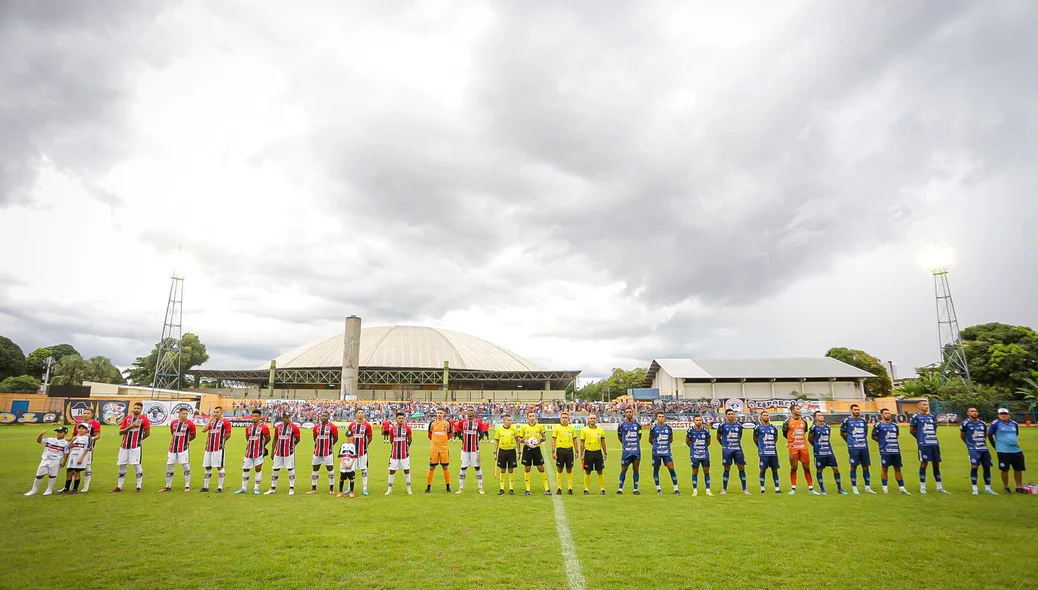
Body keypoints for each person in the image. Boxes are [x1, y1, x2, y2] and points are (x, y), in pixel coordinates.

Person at [909, 399, 949, 494]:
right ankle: (923, 486)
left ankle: (939, 487)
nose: (926, 406)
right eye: (923, 405)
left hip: (934, 443)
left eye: (926, 405)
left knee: (936, 464)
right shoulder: (916, 417)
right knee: (924, 464)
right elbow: (911, 430)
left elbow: (934, 429)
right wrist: (920, 438)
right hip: (924, 444)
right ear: (919, 406)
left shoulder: (931, 417)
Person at [113, 401, 151, 493]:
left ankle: (138, 486)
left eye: (138, 408)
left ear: (141, 409)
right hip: (124, 446)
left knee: (137, 465)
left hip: (136, 446)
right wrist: (131, 426)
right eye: (135, 408)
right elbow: (120, 432)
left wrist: (138, 440)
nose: (136, 410)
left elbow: (147, 433)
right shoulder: (127, 419)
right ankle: (119, 486)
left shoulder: (144, 420)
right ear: (132, 409)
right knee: (122, 465)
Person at [988, 408, 1026, 494]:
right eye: (1001, 414)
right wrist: (995, 446)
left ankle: (1019, 487)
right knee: (1005, 469)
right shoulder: (995, 424)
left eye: (1005, 413)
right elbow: (989, 435)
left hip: (1016, 450)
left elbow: (1016, 434)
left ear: (1009, 414)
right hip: (1003, 451)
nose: (1003, 415)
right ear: (998, 415)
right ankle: (1006, 487)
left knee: (1018, 469)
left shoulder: (1014, 424)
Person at [871, 408, 909, 494]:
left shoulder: (894, 425)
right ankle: (885, 488)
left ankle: (902, 488)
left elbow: (896, 435)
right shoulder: (878, 425)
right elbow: (873, 436)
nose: (888, 415)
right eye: (886, 413)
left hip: (895, 450)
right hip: (885, 451)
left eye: (889, 413)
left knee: (898, 469)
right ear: (882, 415)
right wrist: (882, 442)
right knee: (884, 469)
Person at [959, 407, 996, 495]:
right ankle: (975, 488)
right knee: (974, 466)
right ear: (968, 413)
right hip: (973, 449)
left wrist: (982, 442)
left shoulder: (982, 423)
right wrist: (969, 444)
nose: (974, 413)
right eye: (972, 411)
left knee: (987, 466)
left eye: (975, 411)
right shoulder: (965, 423)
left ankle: (988, 488)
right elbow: (962, 435)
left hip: (983, 448)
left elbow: (985, 435)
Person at [809, 412, 846, 495]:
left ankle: (839, 488)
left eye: (822, 415)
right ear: (815, 418)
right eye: (819, 416)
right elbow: (810, 439)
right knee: (819, 470)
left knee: (836, 469)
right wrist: (816, 446)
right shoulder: (813, 428)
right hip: (819, 453)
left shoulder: (827, 427)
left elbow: (828, 438)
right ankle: (822, 489)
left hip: (829, 451)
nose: (821, 417)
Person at [840, 404, 875, 494]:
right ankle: (854, 487)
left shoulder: (863, 421)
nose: (857, 411)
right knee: (853, 466)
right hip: (853, 448)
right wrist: (849, 442)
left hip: (863, 447)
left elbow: (865, 432)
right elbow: (842, 433)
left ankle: (867, 487)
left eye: (858, 409)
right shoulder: (847, 421)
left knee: (866, 466)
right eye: (855, 409)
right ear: (851, 410)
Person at [160, 407, 197, 492]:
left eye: (186, 414)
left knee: (185, 466)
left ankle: (187, 485)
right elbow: (172, 433)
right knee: (169, 466)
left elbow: (193, 435)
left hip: (183, 448)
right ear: (179, 413)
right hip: (172, 448)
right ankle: (168, 486)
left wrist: (185, 441)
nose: (185, 415)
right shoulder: (173, 423)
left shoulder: (190, 424)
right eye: (183, 414)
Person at [25, 427, 70, 496]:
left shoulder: (65, 443)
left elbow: (66, 453)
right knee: (39, 475)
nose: (58, 433)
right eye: (57, 432)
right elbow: (39, 441)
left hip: (56, 461)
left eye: (60, 432)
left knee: (52, 475)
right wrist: (41, 434)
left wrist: (64, 462)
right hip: (45, 459)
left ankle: (49, 489)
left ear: (65, 433)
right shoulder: (50, 439)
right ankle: (34, 490)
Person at [234, 409, 270, 495]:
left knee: (258, 468)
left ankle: (256, 488)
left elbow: (268, 438)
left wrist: (262, 446)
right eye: (253, 416)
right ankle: (243, 488)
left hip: (259, 452)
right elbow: (248, 439)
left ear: (260, 417)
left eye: (256, 416)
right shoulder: (248, 428)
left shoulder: (264, 427)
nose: (254, 418)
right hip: (249, 451)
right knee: (245, 468)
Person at [782, 404, 814, 495]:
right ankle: (793, 488)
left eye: (799, 409)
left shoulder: (804, 421)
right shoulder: (787, 422)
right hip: (793, 448)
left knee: (806, 467)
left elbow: (804, 431)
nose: (799, 410)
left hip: (803, 447)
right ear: (793, 411)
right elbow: (785, 433)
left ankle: (811, 488)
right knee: (794, 467)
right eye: (797, 409)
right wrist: (791, 442)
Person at [266, 414, 300, 495]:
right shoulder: (278, 428)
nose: (288, 419)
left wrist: (292, 445)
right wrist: (272, 451)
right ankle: (273, 488)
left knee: (290, 469)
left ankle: (291, 488)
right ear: (283, 418)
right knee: (275, 469)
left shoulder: (294, 428)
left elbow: (298, 439)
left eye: (289, 418)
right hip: (278, 452)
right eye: (286, 418)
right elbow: (275, 439)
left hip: (289, 452)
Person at [518, 411, 551, 496]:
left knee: (541, 468)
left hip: (536, 449)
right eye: (530, 416)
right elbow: (520, 439)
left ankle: (547, 489)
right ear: (527, 418)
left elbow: (544, 437)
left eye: (533, 416)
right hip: (527, 449)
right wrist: (524, 441)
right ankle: (527, 490)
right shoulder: (524, 427)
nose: (532, 417)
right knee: (527, 468)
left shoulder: (539, 426)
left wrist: (539, 441)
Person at [716, 409, 749, 495]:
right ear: (726, 416)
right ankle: (724, 489)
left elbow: (740, 436)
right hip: (727, 450)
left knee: (741, 467)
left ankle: (745, 489)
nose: (731, 415)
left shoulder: (738, 425)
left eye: (732, 414)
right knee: (727, 468)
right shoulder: (722, 425)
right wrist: (724, 445)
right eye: (729, 414)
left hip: (737, 449)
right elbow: (718, 437)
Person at [201, 406, 232, 493]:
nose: (215, 414)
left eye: (217, 412)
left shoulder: (225, 422)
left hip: (218, 448)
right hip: (209, 448)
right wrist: (210, 419)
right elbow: (203, 430)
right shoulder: (212, 422)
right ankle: (205, 487)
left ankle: (220, 487)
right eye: (214, 412)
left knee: (219, 466)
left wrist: (222, 441)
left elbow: (228, 434)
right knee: (208, 466)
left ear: (221, 412)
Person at [649, 412, 680, 495]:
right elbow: (650, 439)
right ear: (656, 418)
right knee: (656, 469)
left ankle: (676, 489)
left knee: (671, 469)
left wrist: (664, 446)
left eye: (662, 416)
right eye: (659, 416)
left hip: (666, 452)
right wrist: (657, 446)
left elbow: (671, 439)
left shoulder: (668, 428)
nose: (661, 418)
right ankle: (658, 488)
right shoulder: (653, 428)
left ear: (665, 418)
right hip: (656, 453)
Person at [456, 407, 485, 495]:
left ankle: (480, 487)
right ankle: (460, 488)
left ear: (474, 412)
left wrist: (476, 441)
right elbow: (458, 432)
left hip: (475, 449)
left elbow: (482, 434)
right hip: (464, 449)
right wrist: (463, 440)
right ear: (466, 412)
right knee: (463, 467)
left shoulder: (478, 422)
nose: (470, 412)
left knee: (477, 467)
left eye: (471, 410)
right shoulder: (462, 422)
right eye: (469, 410)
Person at [309, 411, 339, 495]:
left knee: (330, 469)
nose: (323, 417)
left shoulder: (332, 427)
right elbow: (315, 438)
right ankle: (314, 488)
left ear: (328, 417)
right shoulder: (316, 427)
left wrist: (329, 446)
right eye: (322, 416)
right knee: (315, 469)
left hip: (328, 452)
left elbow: (336, 438)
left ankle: (331, 488)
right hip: (317, 452)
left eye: (325, 416)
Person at [579, 414, 607, 495]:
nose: (593, 420)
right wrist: (582, 455)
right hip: (588, 452)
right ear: (588, 420)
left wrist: (605, 453)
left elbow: (603, 442)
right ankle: (586, 489)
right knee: (588, 471)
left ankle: (602, 489)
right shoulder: (584, 430)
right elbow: (582, 443)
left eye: (594, 418)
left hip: (598, 452)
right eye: (591, 418)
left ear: (596, 419)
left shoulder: (600, 430)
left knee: (600, 471)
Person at [753, 412, 781, 494]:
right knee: (763, 470)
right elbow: (755, 439)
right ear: (761, 417)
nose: (766, 416)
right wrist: (760, 447)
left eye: (767, 415)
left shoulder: (773, 427)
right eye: (764, 415)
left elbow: (776, 438)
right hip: (763, 453)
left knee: (775, 470)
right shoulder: (758, 428)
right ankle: (762, 488)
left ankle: (777, 488)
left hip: (773, 452)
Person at [386, 412, 413, 495]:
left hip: (404, 454)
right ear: (396, 419)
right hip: (394, 454)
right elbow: (391, 440)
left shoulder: (407, 429)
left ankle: (409, 489)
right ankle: (389, 489)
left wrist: (406, 447)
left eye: (402, 418)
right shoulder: (392, 429)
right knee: (392, 471)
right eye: (399, 418)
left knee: (407, 470)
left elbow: (410, 440)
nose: (401, 420)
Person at [426, 408, 452, 493]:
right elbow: (429, 435)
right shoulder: (432, 423)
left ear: (444, 414)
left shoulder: (447, 424)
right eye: (438, 413)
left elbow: (449, 435)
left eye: (441, 413)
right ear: (436, 414)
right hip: (434, 449)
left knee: (445, 467)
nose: (439, 414)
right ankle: (428, 487)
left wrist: (442, 442)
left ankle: (448, 487)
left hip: (444, 449)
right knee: (431, 467)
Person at [616, 407, 642, 495]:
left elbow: (640, 436)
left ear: (633, 413)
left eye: (630, 412)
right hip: (626, 451)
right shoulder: (621, 425)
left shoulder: (638, 424)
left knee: (636, 469)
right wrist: (625, 445)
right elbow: (619, 436)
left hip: (636, 451)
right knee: (623, 469)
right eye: (627, 412)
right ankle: (620, 488)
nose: (629, 413)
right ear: (625, 413)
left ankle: (635, 489)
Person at [60, 423, 91, 494]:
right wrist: (72, 441)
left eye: (83, 428)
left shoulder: (87, 437)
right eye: (79, 428)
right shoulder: (76, 437)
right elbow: (69, 447)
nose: (80, 430)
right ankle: (66, 489)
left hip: (79, 456)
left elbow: (87, 448)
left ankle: (75, 489)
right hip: (72, 456)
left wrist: (81, 458)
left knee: (77, 473)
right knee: (69, 472)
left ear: (86, 430)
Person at [76, 408, 102, 493]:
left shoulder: (95, 423)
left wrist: (91, 438)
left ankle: (86, 486)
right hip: (76, 449)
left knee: (87, 467)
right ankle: (71, 486)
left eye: (88, 413)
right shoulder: (78, 424)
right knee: (73, 467)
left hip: (88, 449)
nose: (85, 415)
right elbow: (74, 435)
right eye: (84, 413)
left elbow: (98, 435)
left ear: (91, 414)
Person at [685, 415, 712, 497]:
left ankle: (708, 490)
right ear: (694, 421)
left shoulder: (706, 430)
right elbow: (687, 442)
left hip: (705, 455)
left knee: (706, 471)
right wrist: (694, 449)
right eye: (697, 420)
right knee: (695, 471)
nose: (699, 421)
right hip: (694, 455)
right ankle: (695, 490)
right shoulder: (690, 430)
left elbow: (708, 442)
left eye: (700, 420)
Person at [348, 410, 374, 496]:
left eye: (362, 413)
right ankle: (349, 488)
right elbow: (349, 437)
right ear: (356, 414)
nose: (360, 414)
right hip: (352, 452)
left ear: (364, 415)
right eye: (359, 412)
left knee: (364, 470)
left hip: (363, 452)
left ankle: (365, 488)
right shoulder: (352, 425)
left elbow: (370, 437)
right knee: (351, 470)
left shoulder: (367, 426)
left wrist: (365, 445)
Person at [494, 414, 520, 495]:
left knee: (511, 469)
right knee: (502, 469)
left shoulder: (514, 429)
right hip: (502, 451)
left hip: (511, 451)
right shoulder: (499, 430)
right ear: (504, 421)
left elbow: (518, 441)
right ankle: (502, 488)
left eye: (510, 420)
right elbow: (496, 441)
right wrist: (495, 452)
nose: (510, 422)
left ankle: (511, 488)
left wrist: (519, 452)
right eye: (508, 420)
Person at [551, 411, 577, 495]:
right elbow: (553, 440)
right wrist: (553, 451)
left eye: (566, 418)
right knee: (559, 469)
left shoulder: (571, 428)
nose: (564, 419)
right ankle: (559, 488)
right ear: (560, 419)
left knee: (569, 469)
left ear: (568, 419)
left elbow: (575, 440)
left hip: (569, 451)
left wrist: (576, 451)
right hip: (560, 451)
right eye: (563, 418)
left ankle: (570, 488)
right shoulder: (557, 428)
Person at [337, 430, 357, 498]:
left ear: (352, 437)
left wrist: (351, 464)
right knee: (342, 478)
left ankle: (351, 492)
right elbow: (340, 455)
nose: (349, 438)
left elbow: (355, 456)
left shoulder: (354, 445)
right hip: (343, 465)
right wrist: (343, 464)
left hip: (351, 465)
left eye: (350, 436)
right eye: (348, 436)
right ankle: (340, 492)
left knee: (352, 479)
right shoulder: (343, 445)